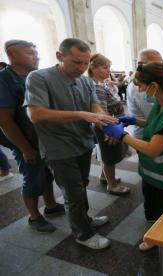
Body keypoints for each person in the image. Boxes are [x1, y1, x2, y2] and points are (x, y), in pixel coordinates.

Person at [25, 38, 119, 249]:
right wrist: (81, 114)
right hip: (58, 148)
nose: (82, 68)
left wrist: (105, 121)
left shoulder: (85, 81)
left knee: (81, 185)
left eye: (86, 63)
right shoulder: (39, 78)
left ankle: (83, 219)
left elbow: (95, 106)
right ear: (60, 56)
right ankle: (83, 234)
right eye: (76, 62)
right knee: (73, 192)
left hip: (83, 143)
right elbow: (36, 114)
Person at [102, 62, 163, 256]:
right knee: (154, 209)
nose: (138, 88)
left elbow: (153, 149)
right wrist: (135, 121)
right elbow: (159, 126)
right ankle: (157, 236)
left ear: (154, 86)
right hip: (155, 175)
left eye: (141, 84)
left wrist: (122, 135)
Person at [0, 40, 64, 233]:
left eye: (36, 53)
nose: (36, 56)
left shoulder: (33, 76)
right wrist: (25, 148)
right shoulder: (4, 80)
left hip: (41, 138)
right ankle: (35, 217)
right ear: (12, 55)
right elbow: (5, 121)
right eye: (30, 53)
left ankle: (51, 206)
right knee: (32, 177)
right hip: (24, 141)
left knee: (46, 174)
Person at [88, 53, 130, 195]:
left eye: (109, 67)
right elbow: (102, 113)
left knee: (104, 153)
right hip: (106, 126)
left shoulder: (99, 84)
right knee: (109, 157)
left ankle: (104, 177)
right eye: (105, 67)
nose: (108, 71)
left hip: (107, 124)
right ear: (93, 68)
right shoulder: (97, 87)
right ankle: (112, 186)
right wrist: (110, 130)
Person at [126, 49, 163, 139]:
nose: (161, 70)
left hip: (156, 134)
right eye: (156, 65)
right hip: (146, 137)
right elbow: (155, 117)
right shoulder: (139, 86)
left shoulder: (151, 83)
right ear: (141, 64)